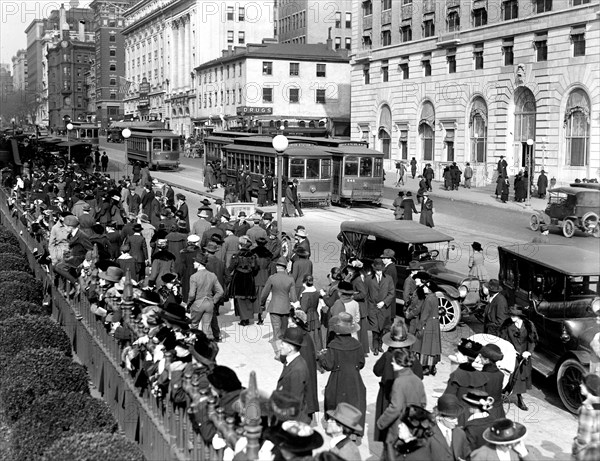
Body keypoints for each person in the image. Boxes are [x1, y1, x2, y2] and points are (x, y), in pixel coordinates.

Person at [373, 318, 422, 446]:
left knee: (388, 430)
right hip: (408, 398)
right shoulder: (412, 357)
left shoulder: (388, 356)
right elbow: (420, 376)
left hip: (387, 396)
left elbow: (376, 371)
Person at [318, 312, 366, 437]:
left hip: (338, 379)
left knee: (336, 402)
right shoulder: (357, 344)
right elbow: (361, 363)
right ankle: (354, 432)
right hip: (355, 379)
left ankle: (339, 430)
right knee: (354, 403)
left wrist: (322, 356)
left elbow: (328, 365)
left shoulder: (334, 345)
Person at [376, 347, 426, 460]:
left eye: (393, 362)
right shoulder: (417, 380)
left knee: (390, 453)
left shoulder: (399, 382)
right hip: (411, 425)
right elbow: (423, 403)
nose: (392, 364)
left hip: (398, 425)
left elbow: (396, 407)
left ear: (399, 364)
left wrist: (381, 422)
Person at [500, 306, 538, 411]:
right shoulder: (507, 326)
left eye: (514, 315)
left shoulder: (529, 326)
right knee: (509, 375)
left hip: (524, 356)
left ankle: (519, 398)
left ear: (520, 316)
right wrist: (510, 350)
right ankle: (503, 394)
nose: (511, 317)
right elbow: (503, 341)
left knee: (520, 377)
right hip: (511, 355)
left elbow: (532, 341)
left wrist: (528, 352)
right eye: (511, 314)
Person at [260, 256, 298, 358]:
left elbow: (264, 293)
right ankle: (285, 351)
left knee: (276, 330)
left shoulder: (272, 278)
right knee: (284, 330)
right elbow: (294, 297)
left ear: (277, 267)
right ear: (285, 267)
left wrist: (262, 304)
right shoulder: (290, 279)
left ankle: (278, 353)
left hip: (274, 307)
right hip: (285, 307)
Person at [276, 328, 311, 424]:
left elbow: (295, 399)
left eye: (283, 343)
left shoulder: (298, 369)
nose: (280, 346)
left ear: (290, 348)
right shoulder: (291, 361)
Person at [187, 252, 224, 332]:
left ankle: (194, 342)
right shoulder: (212, 275)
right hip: (209, 304)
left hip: (197, 304)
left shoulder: (194, 277)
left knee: (194, 325)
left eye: (195, 262)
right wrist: (213, 301)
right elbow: (220, 291)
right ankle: (205, 341)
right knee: (206, 327)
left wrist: (189, 303)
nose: (193, 263)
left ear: (199, 264)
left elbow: (192, 294)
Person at [427, 394, 471, 461]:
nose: (456, 422)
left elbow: (467, 454)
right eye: (452, 418)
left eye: (456, 418)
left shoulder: (460, 433)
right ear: (440, 417)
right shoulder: (428, 434)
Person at [411, 280, 442, 376]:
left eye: (426, 287)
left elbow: (424, 315)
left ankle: (425, 367)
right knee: (433, 346)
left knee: (424, 346)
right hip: (434, 323)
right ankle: (432, 367)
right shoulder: (435, 297)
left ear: (429, 289)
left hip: (428, 324)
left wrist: (419, 327)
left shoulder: (428, 299)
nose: (424, 288)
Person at [366, 258, 395, 356]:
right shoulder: (368, 279)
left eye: (380, 270)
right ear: (374, 270)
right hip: (372, 308)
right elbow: (366, 294)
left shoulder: (389, 279)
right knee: (375, 328)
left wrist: (384, 302)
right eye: (377, 271)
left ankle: (380, 345)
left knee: (382, 328)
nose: (378, 272)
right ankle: (375, 347)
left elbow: (392, 293)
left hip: (384, 308)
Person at [227, 237, 257, 326]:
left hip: (239, 277)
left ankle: (243, 318)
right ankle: (247, 317)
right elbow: (254, 267)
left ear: (240, 245)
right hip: (249, 277)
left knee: (240, 299)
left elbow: (231, 266)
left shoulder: (236, 255)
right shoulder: (252, 255)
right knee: (248, 298)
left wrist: (227, 273)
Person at [472, 344, 506, 421]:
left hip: (484, 413)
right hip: (498, 412)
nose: (479, 358)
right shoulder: (501, 374)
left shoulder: (482, 376)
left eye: (481, 357)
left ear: (487, 360)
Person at [573, 374, 600, 461]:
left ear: (588, 387)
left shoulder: (587, 408)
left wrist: (575, 450)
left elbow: (584, 439)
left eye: (583, 384)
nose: (580, 385)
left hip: (587, 453)